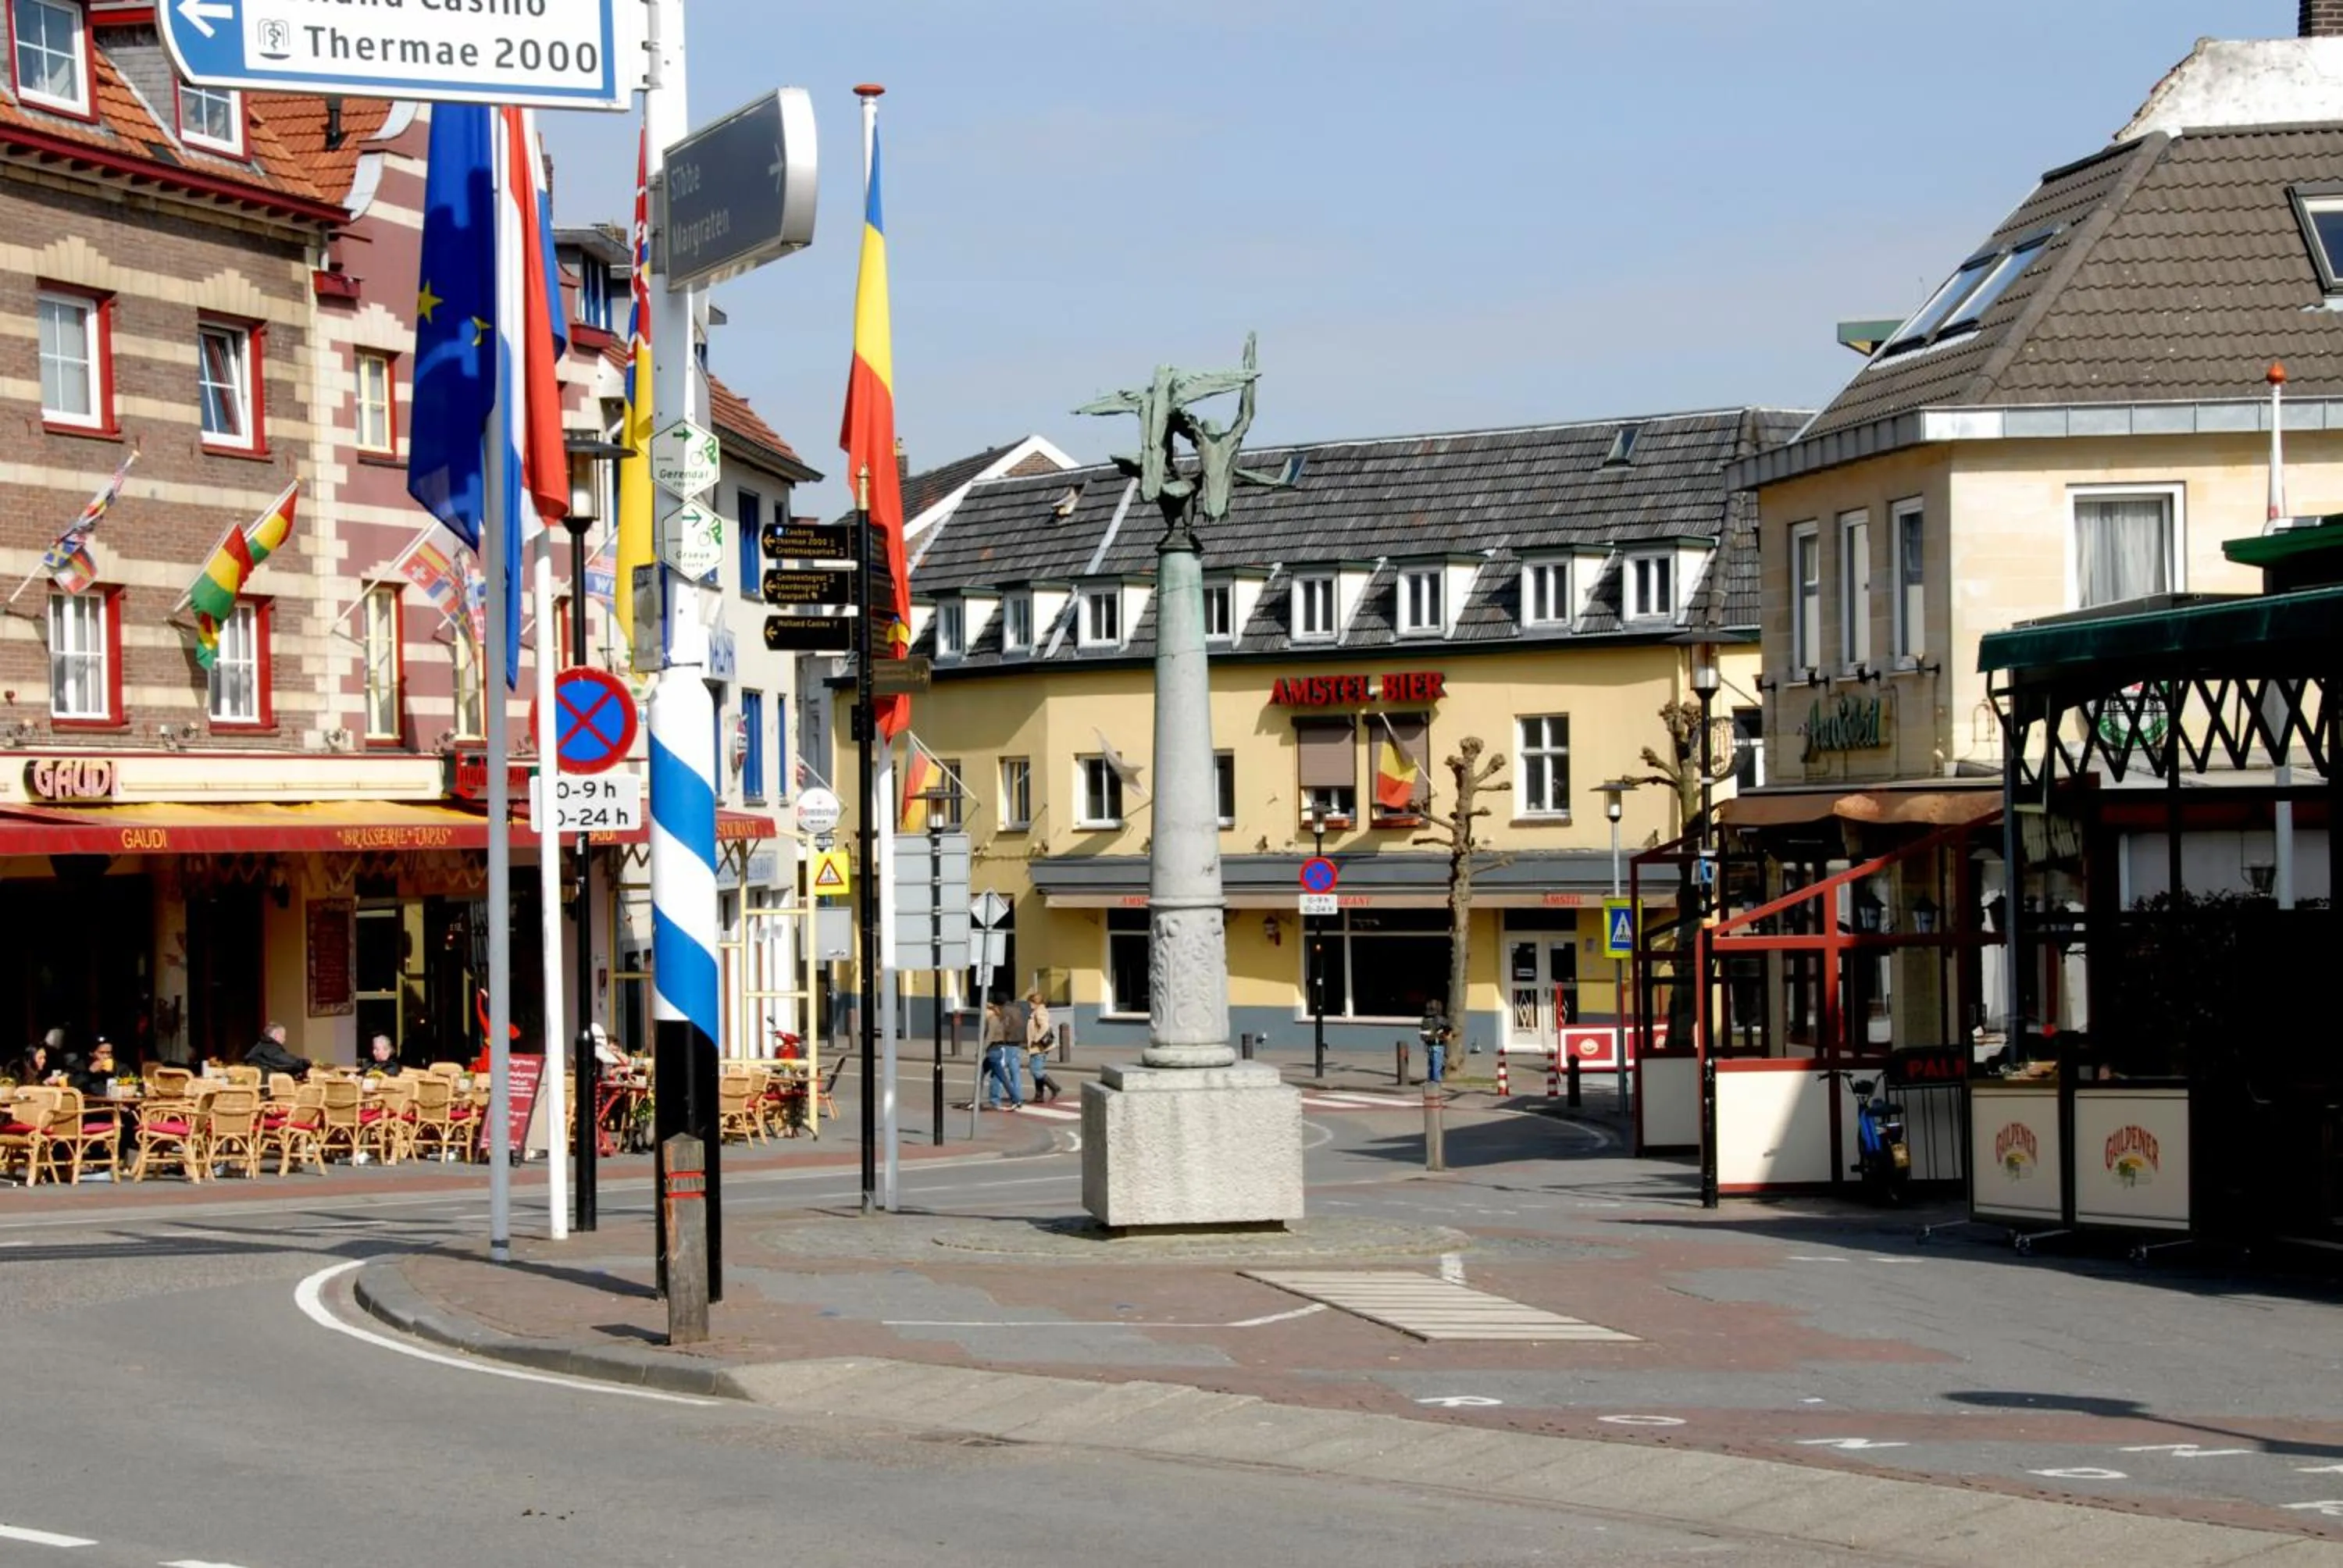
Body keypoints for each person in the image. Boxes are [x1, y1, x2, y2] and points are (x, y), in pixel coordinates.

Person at [980, 999, 1022, 1111]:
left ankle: (1016, 1100)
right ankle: (976, 1100)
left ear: (990, 1010)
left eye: (984, 1011)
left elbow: (989, 1036)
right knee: (980, 1074)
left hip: (994, 1052)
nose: (982, 1013)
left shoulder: (993, 1020)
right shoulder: (993, 1019)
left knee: (1002, 1077)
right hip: (993, 1051)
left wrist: (981, 1050)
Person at [1024, 989, 1061, 1104]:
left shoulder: (1039, 1012)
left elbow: (1044, 1026)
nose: (1029, 1004)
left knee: (1036, 1071)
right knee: (1037, 1070)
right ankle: (1039, 1096)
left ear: (1035, 1002)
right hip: (1038, 1047)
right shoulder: (1039, 1011)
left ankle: (1054, 1087)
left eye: (1030, 1002)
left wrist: (1036, 1039)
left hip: (1039, 1047)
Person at [244, 1021, 308, 1078]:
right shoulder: (270, 1048)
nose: (284, 1040)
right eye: (283, 1036)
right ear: (277, 1036)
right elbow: (293, 1064)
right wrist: (307, 1063)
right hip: (270, 1088)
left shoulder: (259, 1047)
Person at [1418, 998, 1453, 1086]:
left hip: (1429, 1045)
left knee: (1431, 1064)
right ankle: (1436, 1083)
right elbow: (1448, 1027)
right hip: (1438, 1044)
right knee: (1437, 1064)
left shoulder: (1425, 1019)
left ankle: (1430, 1080)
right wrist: (1446, 1034)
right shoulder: (1439, 1019)